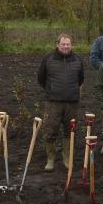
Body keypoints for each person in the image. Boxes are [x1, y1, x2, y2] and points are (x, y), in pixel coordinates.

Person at [38, 34, 85, 171]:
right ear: (57, 44)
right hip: (53, 102)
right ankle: (50, 159)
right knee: (50, 130)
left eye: (68, 44)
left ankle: (67, 158)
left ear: (71, 45)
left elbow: (80, 79)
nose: (66, 46)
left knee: (70, 131)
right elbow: (41, 78)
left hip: (72, 103)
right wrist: (52, 90)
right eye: (63, 44)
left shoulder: (77, 59)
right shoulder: (48, 58)